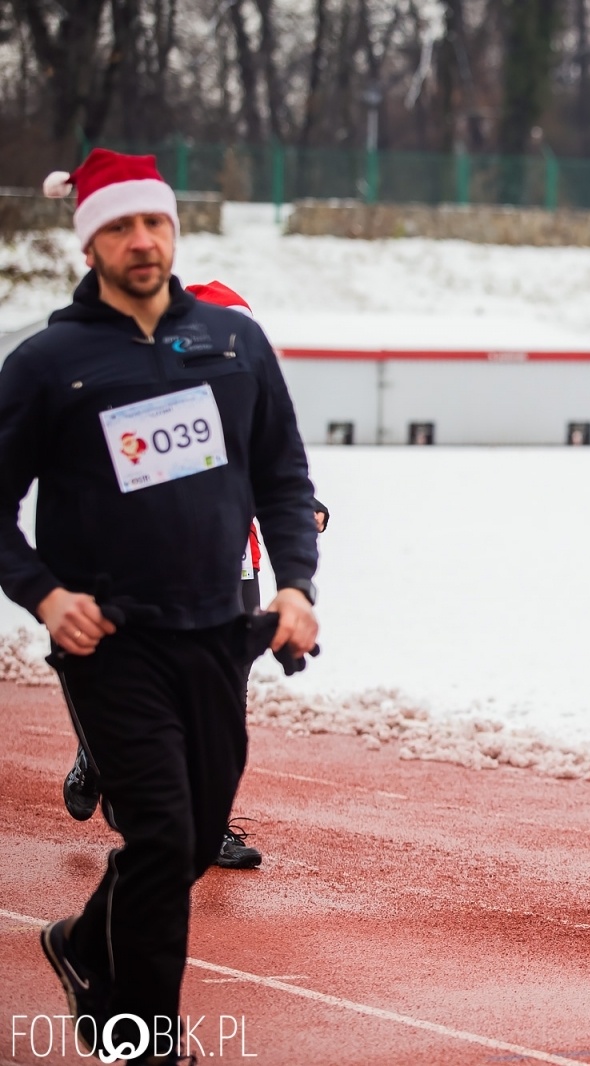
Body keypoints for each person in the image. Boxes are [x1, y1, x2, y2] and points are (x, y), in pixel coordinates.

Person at [0, 150, 320, 1064]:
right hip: (110, 640)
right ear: (89, 241)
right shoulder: (50, 362)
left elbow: (281, 474)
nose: (141, 240)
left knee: (182, 843)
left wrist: (295, 584)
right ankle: (143, 1042)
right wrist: (46, 594)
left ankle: (79, 945)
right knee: (166, 832)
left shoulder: (230, 343)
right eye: (119, 226)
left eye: (154, 222)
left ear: (173, 230)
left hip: (220, 634)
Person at [59, 280, 331, 874]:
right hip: (149, 579)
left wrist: (306, 513)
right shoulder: (158, 404)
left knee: (221, 701)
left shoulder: (248, 401)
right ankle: (104, 760)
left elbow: (275, 474)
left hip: (234, 573)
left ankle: (207, 827)